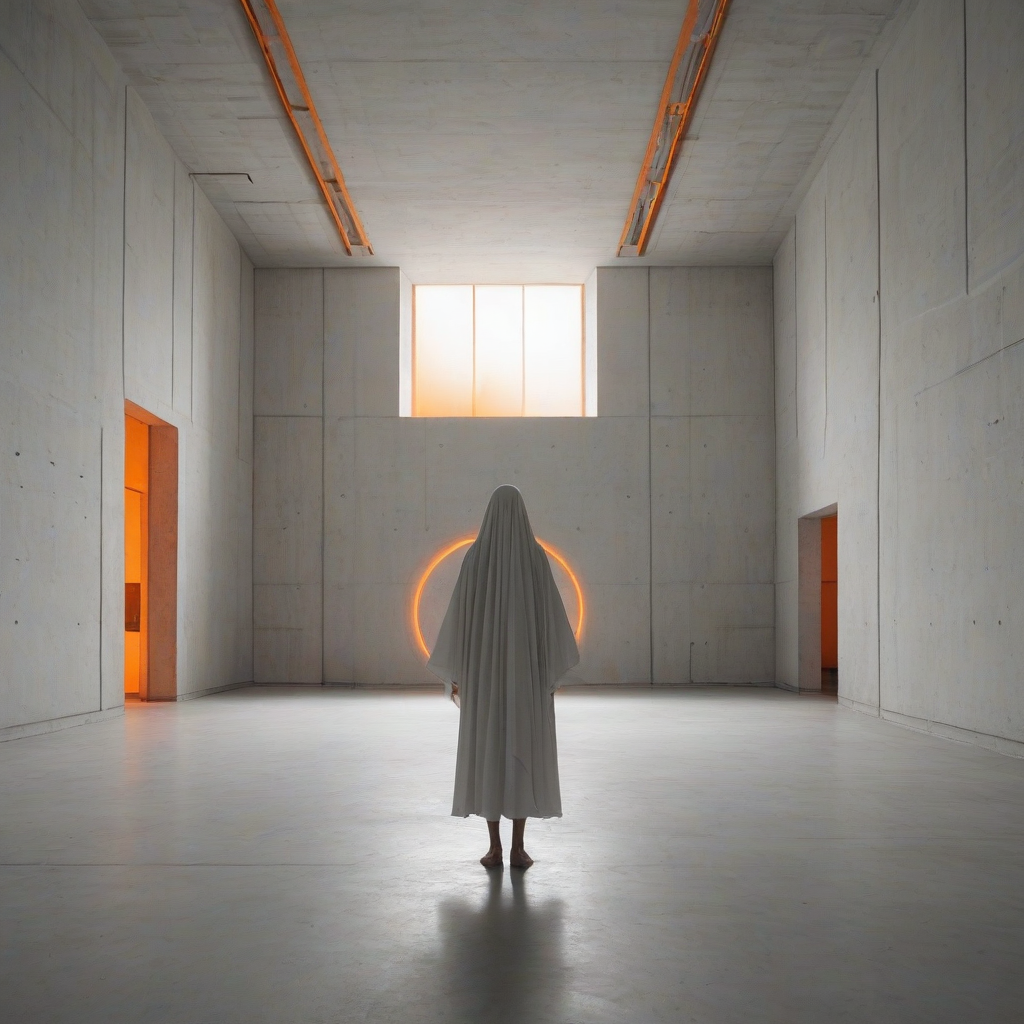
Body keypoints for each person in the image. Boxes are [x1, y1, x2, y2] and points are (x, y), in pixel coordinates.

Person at [427, 485, 579, 869]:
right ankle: (517, 848)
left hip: (485, 676)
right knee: (522, 751)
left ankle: (494, 847)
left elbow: (460, 620)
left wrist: (461, 673)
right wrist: (547, 671)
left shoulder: (476, 558)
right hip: (525, 676)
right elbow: (550, 623)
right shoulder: (535, 558)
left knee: (490, 751)